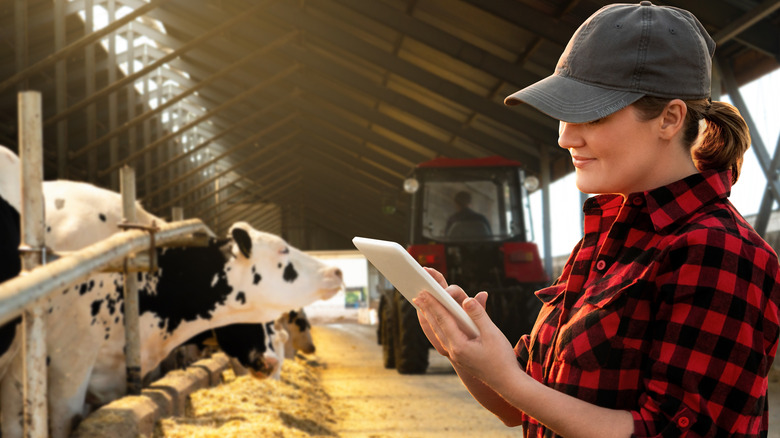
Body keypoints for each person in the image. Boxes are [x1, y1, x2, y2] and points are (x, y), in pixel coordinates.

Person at [412, 2, 780, 437]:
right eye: (565, 113)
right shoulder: (604, 238)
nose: (565, 135)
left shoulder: (720, 250)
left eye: (593, 112)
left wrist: (507, 377)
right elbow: (520, 408)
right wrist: (466, 351)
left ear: (670, 118)